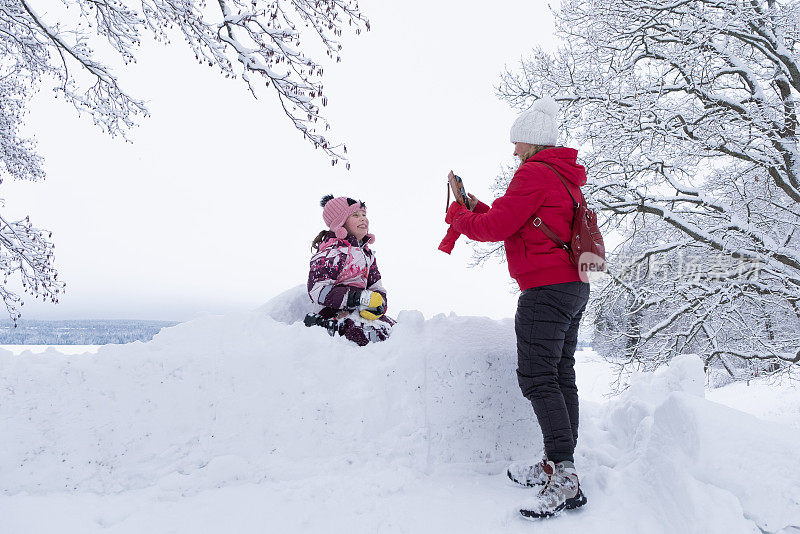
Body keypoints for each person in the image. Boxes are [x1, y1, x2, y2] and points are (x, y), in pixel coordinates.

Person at [441, 97, 590, 518]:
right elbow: (518, 220)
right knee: (560, 373)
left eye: (517, 143)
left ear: (533, 142)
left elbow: (496, 228)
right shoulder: (563, 177)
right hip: (573, 286)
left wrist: (459, 216)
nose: (514, 151)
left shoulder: (534, 173)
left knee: (538, 376)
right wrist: (476, 208)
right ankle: (559, 465)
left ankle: (565, 475)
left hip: (546, 290)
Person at [306, 195, 395, 346]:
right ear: (340, 223)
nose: (363, 219)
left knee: (393, 331)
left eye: (364, 215)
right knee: (364, 335)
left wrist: (379, 304)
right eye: (355, 215)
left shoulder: (367, 255)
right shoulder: (332, 253)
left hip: (360, 312)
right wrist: (357, 298)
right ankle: (322, 327)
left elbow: (376, 286)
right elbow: (317, 290)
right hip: (333, 312)